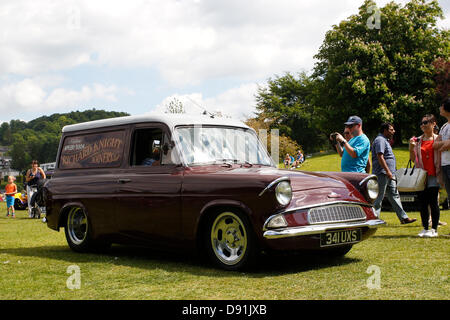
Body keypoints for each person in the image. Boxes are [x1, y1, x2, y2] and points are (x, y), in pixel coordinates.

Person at [372, 122, 416, 224]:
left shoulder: (385, 140)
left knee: (394, 195)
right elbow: (380, 156)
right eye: (391, 129)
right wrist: (387, 171)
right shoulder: (380, 140)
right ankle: (374, 219)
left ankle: (403, 218)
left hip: (389, 174)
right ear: (385, 130)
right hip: (382, 173)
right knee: (379, 197)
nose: (394, 131)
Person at [409, 115, 441, 237]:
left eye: (425, 122)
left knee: (433, 201)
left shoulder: (438, 139)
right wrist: (411, 148)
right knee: (422, 202)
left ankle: (434, 229)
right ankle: (425, 228)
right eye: (421, 123)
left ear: (433, 123)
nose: (423, 125)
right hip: (421, 175)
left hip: (434, 174)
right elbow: (413, 159)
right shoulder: (417, 140)